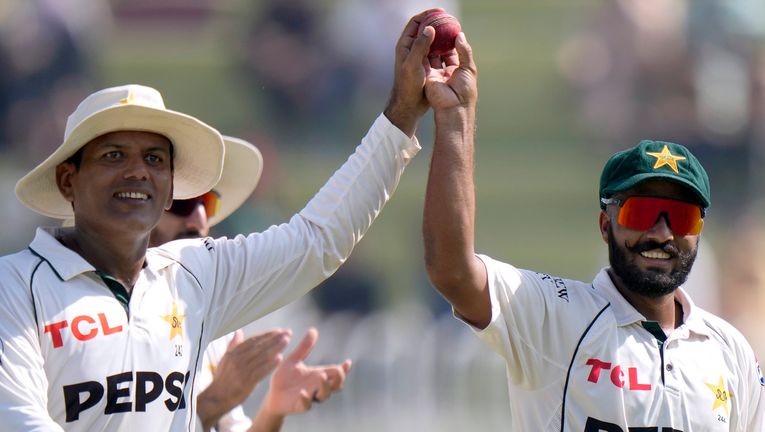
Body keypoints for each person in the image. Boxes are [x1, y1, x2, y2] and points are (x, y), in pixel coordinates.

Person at [0, 8, 444, 430]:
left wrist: (401, 114)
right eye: (113, 155)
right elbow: (19, 419)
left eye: (154, 158)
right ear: (67, 181)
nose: (137, 171)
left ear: (171, 185)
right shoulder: (14, 287)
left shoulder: (193, 275)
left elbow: (318, 241)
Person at [421, 32, 765, 430]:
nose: (661, 233)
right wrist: (455, 117)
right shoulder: (556, 316)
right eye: (642, 212)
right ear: (606, 224)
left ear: (699, 232)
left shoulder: (731, 351)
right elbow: (451, 270)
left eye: (681, 216)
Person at [150, 136, 351, 431]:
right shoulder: (100, 317)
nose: (199, 218)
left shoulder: (207, 319)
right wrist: (216, 400)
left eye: (208, 203)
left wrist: (274, 408)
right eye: (182, 203)